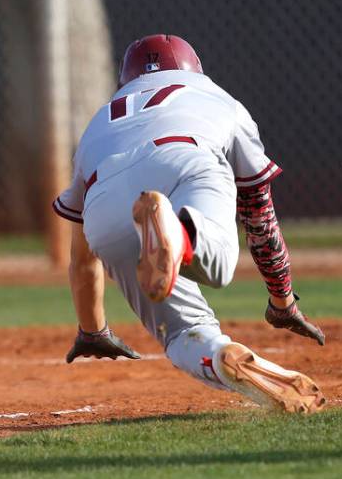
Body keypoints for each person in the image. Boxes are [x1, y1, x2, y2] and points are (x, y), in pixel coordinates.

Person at [53, 34, 326, 414]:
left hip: (105, 206)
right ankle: (177, 235)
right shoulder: (219, 99)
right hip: (184, 160)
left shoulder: (100, 122)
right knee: (219, 267)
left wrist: (93, 331)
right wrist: (282, 301)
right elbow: (259, 217)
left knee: (182, 333)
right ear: (194, 69)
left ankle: (220, 355)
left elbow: (83, 261)